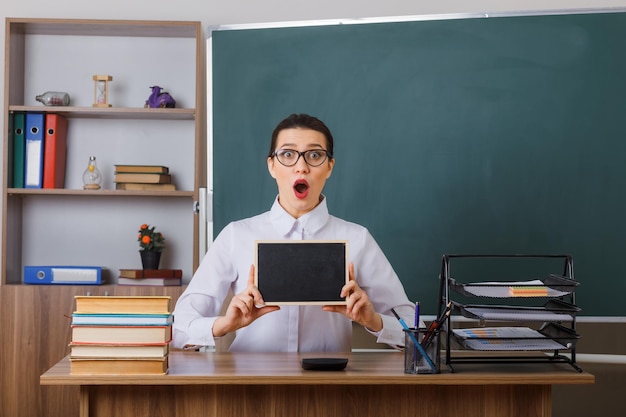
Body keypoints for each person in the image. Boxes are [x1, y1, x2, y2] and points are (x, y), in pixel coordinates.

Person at [172, 113, 416, 352]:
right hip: (249, 386)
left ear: (330, 167)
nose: (301, 167)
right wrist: (224, 324)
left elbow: (417, 332)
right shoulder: (237, 235)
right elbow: (177, 329)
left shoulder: (357, 238)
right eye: (288, 154)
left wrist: (373, 321)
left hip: (330, 386)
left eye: (314, 155)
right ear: (272, 165)